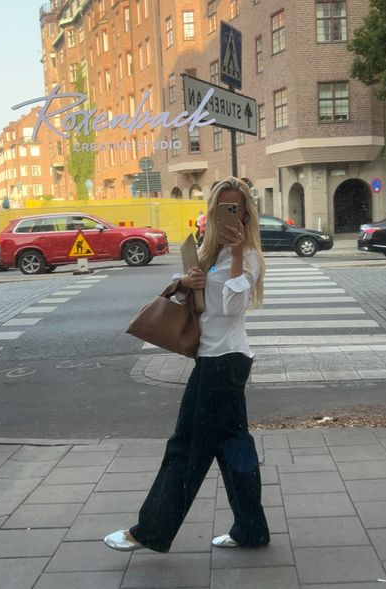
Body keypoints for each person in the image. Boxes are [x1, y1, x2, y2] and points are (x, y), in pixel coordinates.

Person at [104, 176, 270, 553]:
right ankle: (251, 530)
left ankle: (149, 531)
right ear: (213, 213)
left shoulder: (250, 258)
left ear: (245, 213)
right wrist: (185, 280)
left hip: (220, 363)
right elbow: (194, 296)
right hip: (220, 362)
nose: (229, 214)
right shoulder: (210, 254)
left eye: (236, 207)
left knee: (185, 448)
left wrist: (239, 254)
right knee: (233, 448)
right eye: (221, 208)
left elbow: (231, 309)